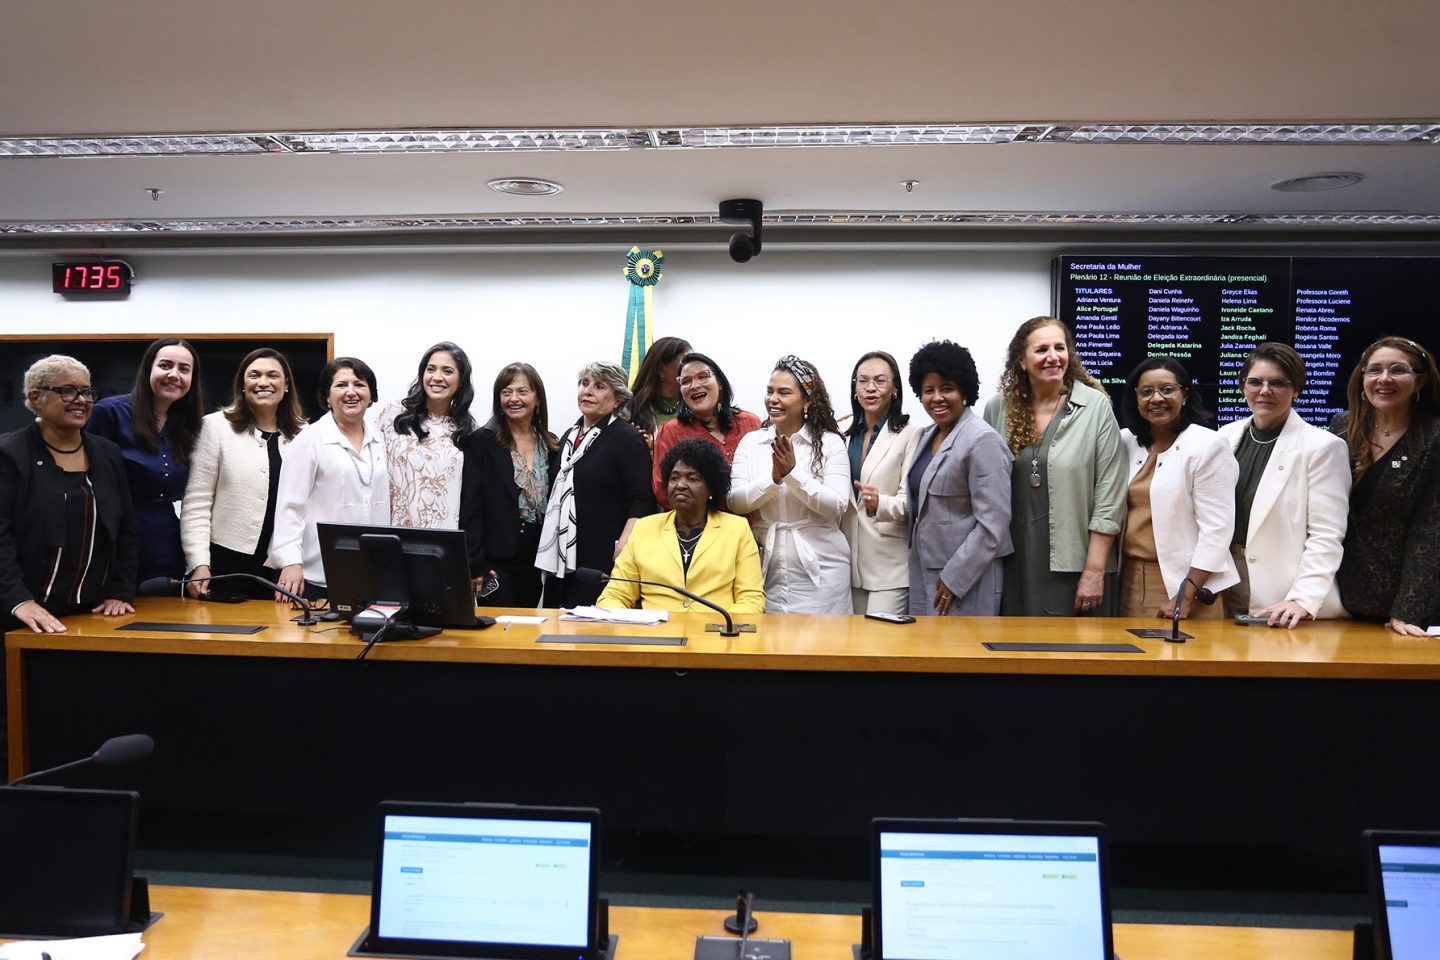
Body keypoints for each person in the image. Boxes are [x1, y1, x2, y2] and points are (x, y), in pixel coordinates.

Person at [982, 316, 1126, 616]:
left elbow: (1109, 498)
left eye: (1060, 348)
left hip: (1077, 565)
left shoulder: (1095, 407)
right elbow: (985, 484)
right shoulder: (999, 408)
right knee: (1015, 655)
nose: (1052, 357)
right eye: (1041, 349)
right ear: (1021, 361)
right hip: (1014, 561)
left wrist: (1095, 571)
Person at [1216, 343, 1349, 627]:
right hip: (1222, 583)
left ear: (1296, 389)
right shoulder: (1224, 437)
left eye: (1278, 383)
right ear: (1243, 387)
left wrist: (1302, 598)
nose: (1265, 391)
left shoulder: (1323, 447)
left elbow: (1327, 534)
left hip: (1282, 593)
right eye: (1255, 382)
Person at [1, 355, 137, 633]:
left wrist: (121, 592)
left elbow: (126, 530)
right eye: (67, 390)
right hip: (23, 616)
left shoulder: (107, 452)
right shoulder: (9, 453)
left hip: (94, 613)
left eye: (87, 391)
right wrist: (18, 600)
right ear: (35, 397)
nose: (82, 399)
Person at [1330, 336, 1440, 635]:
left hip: (1399, 606)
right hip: (1334, 597)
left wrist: (1408, 610)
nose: (1385, 379)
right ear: (1362, 378)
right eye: (1374, 370)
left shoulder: (1433, 438)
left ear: (1420, 382)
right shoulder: (1342, 427)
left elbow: (1430, 531)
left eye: (1398, 370)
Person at [1117, 357, 1238, 620]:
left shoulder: (1208, 445)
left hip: (1186, 584)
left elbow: (1217, 530)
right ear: (1135, 399)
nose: (1156, 398)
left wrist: (1187, 592)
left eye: (1167, 389)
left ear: (1185, 395)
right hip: (1128, 579)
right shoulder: (1126, 441)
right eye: (1146, 392)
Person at [181, 348, 307, 600]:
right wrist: (198, 563)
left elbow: (308, 506)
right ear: (242, 385)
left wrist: (297, 560)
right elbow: (197, 502)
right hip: (225, 563)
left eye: (273, 375)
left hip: (284, 566)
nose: (263, 382)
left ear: (286, 386)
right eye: (254, 375)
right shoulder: (215, 427)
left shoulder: (304, 434)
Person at [729, 355, 851, 614]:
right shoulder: (751, 443)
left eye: (784, 392)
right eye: (769, 391)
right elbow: (736, 502)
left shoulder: (830, 443)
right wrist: (773, 478)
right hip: (766, 570)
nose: (773, 399)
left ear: (807, 400)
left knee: (824, 648)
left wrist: (793, 474)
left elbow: (837, 506)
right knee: (771, 649)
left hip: (824, 572)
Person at [903, 341, 1013, 616]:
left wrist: (956, 578)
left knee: (960, 657)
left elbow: (994, 523)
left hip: (967, 577)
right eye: (928, 390)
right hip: (923, 569)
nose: (937, 398)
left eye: (947, 388)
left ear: (965, 391)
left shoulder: (982, 439)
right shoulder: (928, 434)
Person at [536, 361, 656, 607]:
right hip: (563, 556)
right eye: (584, 383)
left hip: (602, 555)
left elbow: (642, 500)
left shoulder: (627, 438)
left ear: (618, 399)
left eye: (599, 386)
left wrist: (624, 546)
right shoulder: (569, 436)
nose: (587, 391)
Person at [269, 358, 389, 600]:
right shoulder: (310, 439)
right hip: (315, 575)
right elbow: (289, 507)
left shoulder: (380, 438)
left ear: (371, 395)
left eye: (359, 384)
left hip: (369, 574)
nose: (351, 392)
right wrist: (290, 562)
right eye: (341, 385)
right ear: (327, 396)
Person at [86, 336, 204, 583]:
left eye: (184, 369)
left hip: (167, 539)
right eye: (165, 365)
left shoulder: (188, 424)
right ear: (148, 368)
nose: (174, 375)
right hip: (117, 541)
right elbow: (90, 487)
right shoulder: (109, 413)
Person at [599, 438, 764, 613]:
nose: (680, 485)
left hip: (716, 635)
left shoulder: (737, 529)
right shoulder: (644, 528)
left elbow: (751, 599)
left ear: (711, 489)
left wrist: (720, 632)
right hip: (656, 636)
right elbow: (615, 595)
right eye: (674, 478)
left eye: (692, 478)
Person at [462, 362, 560, 608]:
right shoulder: (482, 442)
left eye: (522, 391)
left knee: (525, 633)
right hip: (495, 564)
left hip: (535, 561)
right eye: (506, 392)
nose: (513, 398)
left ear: (537, 398)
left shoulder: (551, 445)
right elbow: (470, 508)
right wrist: (476, 563)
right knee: (497, 636)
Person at [841, 350, 923, 615]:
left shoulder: (912, 434)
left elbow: (913, 504)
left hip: (889, 567)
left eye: (880, 380)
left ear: (895, 388)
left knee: (880, 650)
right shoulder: (843, 436)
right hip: (847, 563)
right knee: (851, 650)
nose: (870, 388)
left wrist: (880, 503)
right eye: (862, 381)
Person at [376, 341, 477, 530]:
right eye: (431, 369)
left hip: (442, 540)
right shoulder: (394, 413)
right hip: (392, 533)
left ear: (461, 381)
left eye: (447, 371)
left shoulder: (467, 428)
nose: (437, 377)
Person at [650, 352, 761, 507]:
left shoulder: (749, 423)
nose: (695, 386)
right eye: (686, 381)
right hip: (700, 527)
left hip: (753, 526)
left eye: (703, 376)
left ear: (720, 382)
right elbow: (662, 490)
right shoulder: (671, 431)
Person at [625, 336, 692, 441]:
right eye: (684, 363)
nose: (691, 369)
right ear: (660, 369)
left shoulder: (696, 404)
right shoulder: (631, 407)